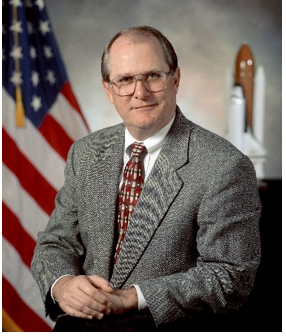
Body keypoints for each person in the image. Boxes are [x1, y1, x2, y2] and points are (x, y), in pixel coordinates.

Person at [30, 26, 260, 331]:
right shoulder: (85, 154)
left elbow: (229, 276)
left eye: (152, 76)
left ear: (175, 79)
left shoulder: (225, 166)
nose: (140, 92)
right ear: (108, 90)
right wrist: (62, 285)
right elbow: (55, 242)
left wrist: (131, 298)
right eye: (125, 80)